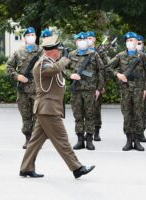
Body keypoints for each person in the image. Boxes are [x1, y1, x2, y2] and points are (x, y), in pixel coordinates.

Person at [19, 35, 95, 179]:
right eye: (59, 50)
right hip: (48, 109)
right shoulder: (43, 64)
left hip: (47, 108)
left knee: (35, 141)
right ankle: (77, 168)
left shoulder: (50, 61)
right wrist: (65, 59)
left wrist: (63, 60)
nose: (60, 52)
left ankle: (26, 168)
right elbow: (53, 69)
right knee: (62, 140)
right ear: (51, 51)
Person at [107, 32, 146, 151]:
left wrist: (145, 89)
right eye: (129, 40)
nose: (131, 42)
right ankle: (128, 140)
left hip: (138, 89)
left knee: (138, 114)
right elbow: (108, 67)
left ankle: (137, 141)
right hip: (125, 89)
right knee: (127, 115)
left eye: (133, 40)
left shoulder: (143, 56)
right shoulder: (120, 56)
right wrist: (118, 74)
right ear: (126, 42)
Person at [67, 32, 105, 150]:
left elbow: (101, 71)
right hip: (76, 90)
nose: (82, 41)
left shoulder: (94, 55)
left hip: (90, 90)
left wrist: (99, 89)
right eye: (79, 40)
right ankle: (80, 140)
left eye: (84, 39)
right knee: (78, 115)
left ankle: (89, 140)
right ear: (76, 42)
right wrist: (70, 75)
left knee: (90, 115)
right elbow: (62, 68)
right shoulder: (71, 55)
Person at [7, 27, 43, 149]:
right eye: (29, 35)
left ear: (36, 37)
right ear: (24, 38)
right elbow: (9, 67)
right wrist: (17, 76)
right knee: (25, 115)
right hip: (23, 90)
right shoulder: (18, 52)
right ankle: (28, 139)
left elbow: (50, 67)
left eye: (33, 35)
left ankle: (36, 140)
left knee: (38, 116)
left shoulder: (42, 52)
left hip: (38, 90)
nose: (31, 37)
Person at [86, 31, 111, 141]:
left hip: (97, 84)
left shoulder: (100, 52)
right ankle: (86, 131)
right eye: (87, 38)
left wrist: (102, 85)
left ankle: (96, 131)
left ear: (95, 39)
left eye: (90, 37)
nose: (88, 40)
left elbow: (106, 68)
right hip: (84, 84)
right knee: (84, 110)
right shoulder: (81, 52)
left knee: (96, 109)